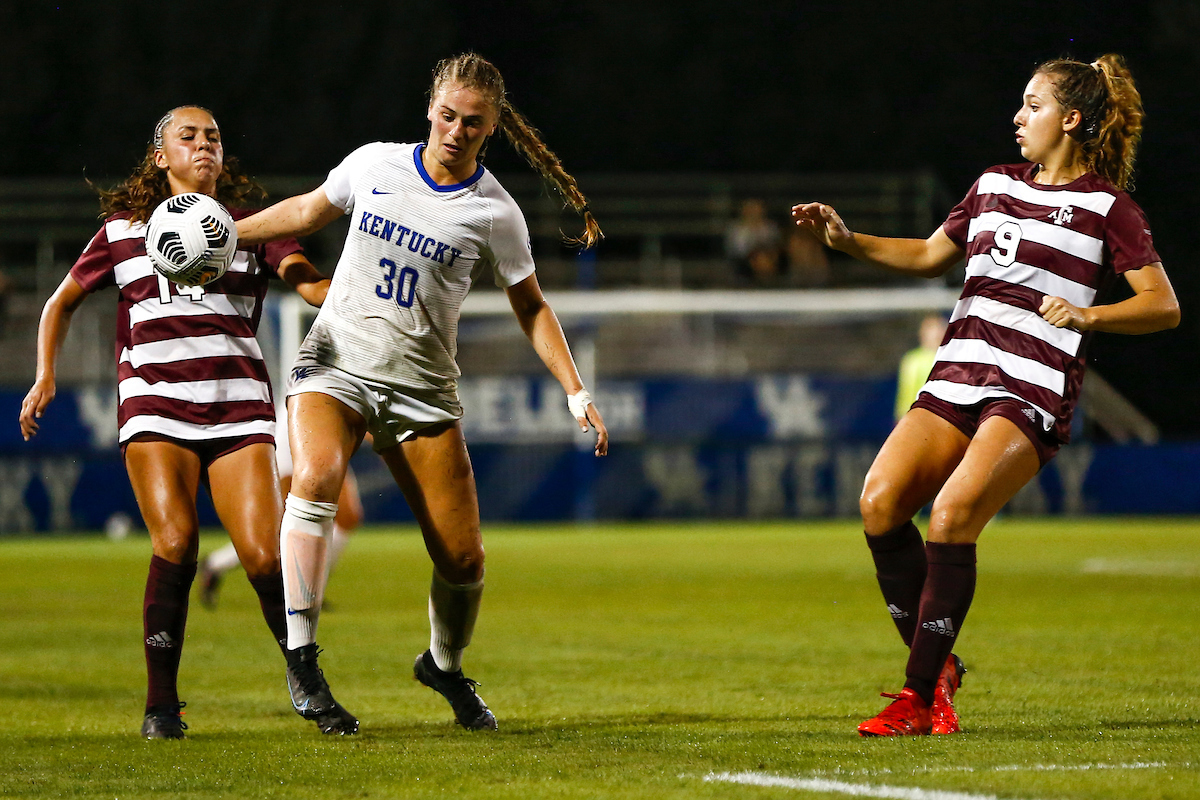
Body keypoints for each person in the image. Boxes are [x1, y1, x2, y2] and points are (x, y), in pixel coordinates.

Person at [792, 54, 1179, 736]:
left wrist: (1088, 314)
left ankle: (918, 699)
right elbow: (927, 255)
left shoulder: (1108, 209)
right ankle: (938, 667)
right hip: (957, 375)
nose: (1017, 117)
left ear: (1071, 119)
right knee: (879, 504)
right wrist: (848, 242)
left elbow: (1162, 305)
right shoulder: (993, 184)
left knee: (951, 517)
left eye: (1033, 105)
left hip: (1030, 389)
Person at [235, 52, 609, 732]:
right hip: (336, 361)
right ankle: (302, 660)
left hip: (421, 390)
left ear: (491, 128)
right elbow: (306, 210)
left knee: (463, 560)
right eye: (447, 115)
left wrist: (575, 390)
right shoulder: (374, 165)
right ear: (429, 109)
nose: (456, 131)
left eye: (473, 123)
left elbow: (530, 305)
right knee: (315, 479)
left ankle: (443, 665)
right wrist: (229, 232)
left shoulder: (495, 212)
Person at [17, 106, 355, 739]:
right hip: (155, 403)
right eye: (189, 136)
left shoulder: (252, 228)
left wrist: (365, 287)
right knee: (175, 543)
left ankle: (308, 682)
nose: (204, 146)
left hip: (237, 406)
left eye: (214, 138)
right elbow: (60, 301)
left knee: (264, 555)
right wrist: (45, 375)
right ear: (160, 156)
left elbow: (308, 286)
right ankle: (161, 708)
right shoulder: (123, 230)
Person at [198, 402, 365, 610]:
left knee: (348, 517)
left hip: (328, 431)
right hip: (299, 422)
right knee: (284, 523)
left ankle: (310, 589)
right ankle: (216, 564)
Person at [894, 314, 948, 421]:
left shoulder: (951, 357)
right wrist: (903, 417)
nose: (938, 334)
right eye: (933, 330)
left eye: (941, 329)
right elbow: (906, 393)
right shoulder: (913, 360)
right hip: (920, 417)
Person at [726, 198, 784, 285]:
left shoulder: (771, 228)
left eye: (756, 208)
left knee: (764, 260)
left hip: (769, 259)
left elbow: (776, 247)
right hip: (743, 264)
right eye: (750, 208)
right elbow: (735, 251)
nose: (753, 212)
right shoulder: (735, 229)